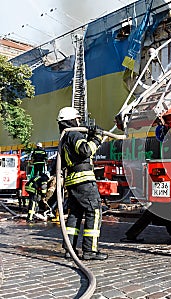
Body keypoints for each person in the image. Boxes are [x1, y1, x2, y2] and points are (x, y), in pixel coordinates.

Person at [57, 106, 108, 261]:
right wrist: (97, 138)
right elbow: (85, 150)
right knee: (94, 211)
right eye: (77, 119)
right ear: (72, 120)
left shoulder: (65, 137)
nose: (79, 121)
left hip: (73, 182)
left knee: (75, 214)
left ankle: (69, 249)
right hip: (84, 181)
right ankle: (90, 250)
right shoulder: (74, 134)